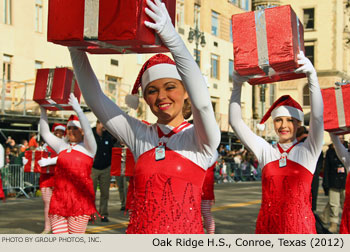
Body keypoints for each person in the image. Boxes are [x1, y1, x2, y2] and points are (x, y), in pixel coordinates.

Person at [68, 0, 220, 234]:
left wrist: (173, 40)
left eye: (170, 87)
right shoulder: (141, 135)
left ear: (186, 91)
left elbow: (203, 105)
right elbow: (96, 99)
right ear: (146, 98)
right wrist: (75, 48)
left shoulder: (199, 139)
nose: (162, 96)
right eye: (152, 90)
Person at [229, 51, 323, 234]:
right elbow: (235, 122)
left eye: (290, 120)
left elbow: (318, 119)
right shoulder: (266, 150)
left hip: (299, 230)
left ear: (298, 124)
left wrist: (312, 77)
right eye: (279, 120)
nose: (284, 125)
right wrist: (237, 86)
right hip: (268, 228)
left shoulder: (308, 151)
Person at [39, 94, 97, 234]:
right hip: (59, 199)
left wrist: (78, 110)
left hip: (80, 201)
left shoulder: (89, 148)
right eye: (69, 128)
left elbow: (89, 132)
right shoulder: (62, 146)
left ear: (81, 130)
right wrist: (43, 110)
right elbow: (45, 133)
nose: (71, 131)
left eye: (75, 128)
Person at [37, 123, 66, 234]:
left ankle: (57, 227)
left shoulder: (65, 145)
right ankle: (47, 227)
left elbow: (64, 158)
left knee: (59, 204)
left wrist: (49, 161)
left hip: (59, 178)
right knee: (47, 204)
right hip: (46, 179)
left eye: (61, 132)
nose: (58, 134)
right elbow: (37, 157)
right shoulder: (45, 146)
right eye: (57, 131)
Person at [321, 135, 348, 233]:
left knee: (345, 204)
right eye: (338, 138)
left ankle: (346, 222)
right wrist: (326, 183)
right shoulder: (330, 152)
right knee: (334, 204)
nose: (340, 140)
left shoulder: (347, 150)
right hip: (333, 181)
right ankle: (334, 224)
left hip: (345, 182)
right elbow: (327, 168)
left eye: (341, 138)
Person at [91, 120, 116, 222]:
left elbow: (112, 149)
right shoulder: (91, 134)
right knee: (91, 192)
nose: (104, 126)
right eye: (102, 123)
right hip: (93, 167)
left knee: (105, 193)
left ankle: (103, 214)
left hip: (106, 168)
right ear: (97, 124)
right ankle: (90, 214)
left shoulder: (108, 136)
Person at [328, 133, 350, 234]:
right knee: (334, 204)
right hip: (335, 182)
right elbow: (336, 143)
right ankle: (333, 224)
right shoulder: (348, 160)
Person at [201, 152, 218, 234]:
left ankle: (211, 234)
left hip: (205, 187)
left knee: (205, 213)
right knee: (200, 213)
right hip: (201, 186)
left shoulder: (212, 153)